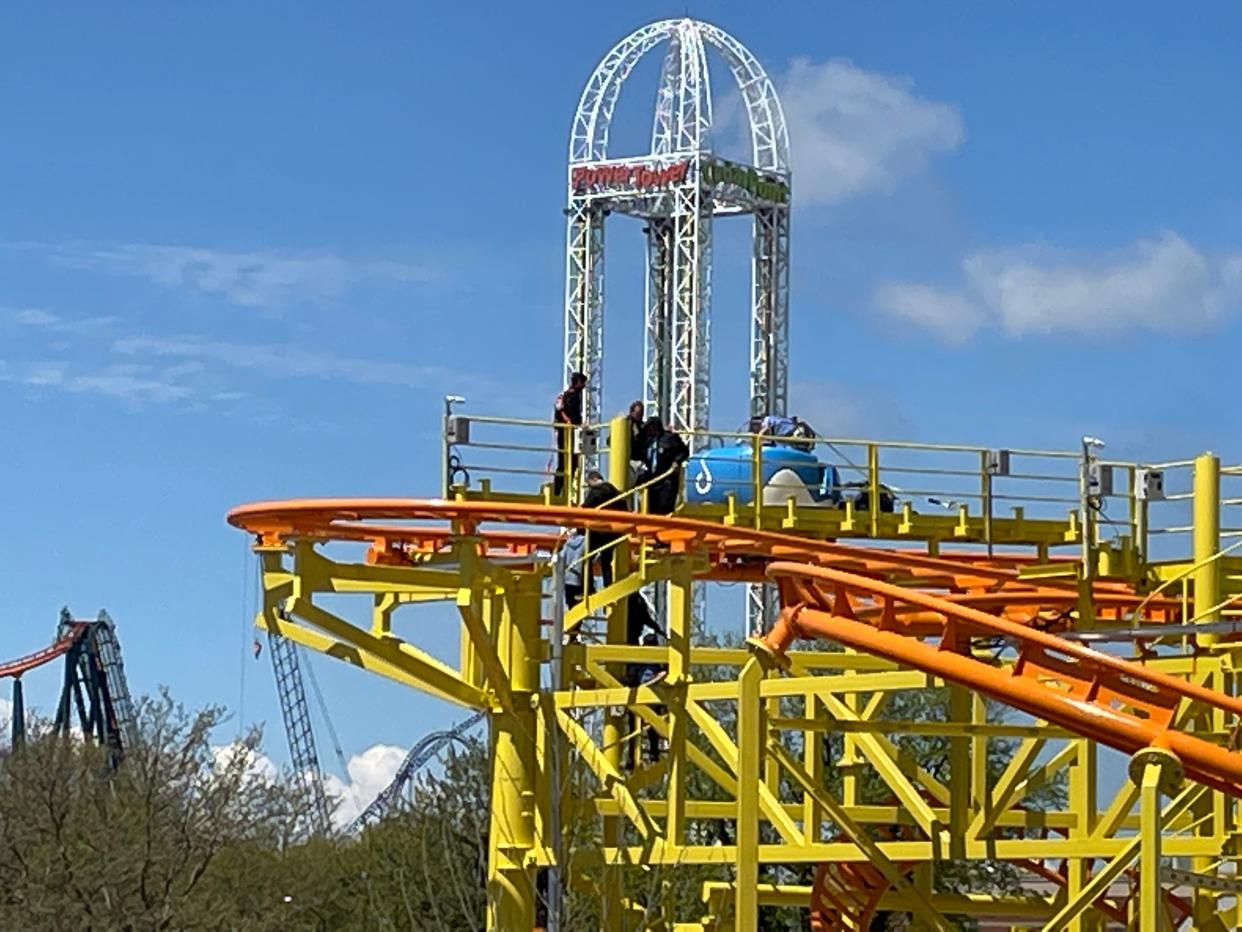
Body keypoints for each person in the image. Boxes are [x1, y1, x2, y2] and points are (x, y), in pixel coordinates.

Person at [581, 470, 626, 590]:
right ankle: (609, 586)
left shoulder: (596, 492)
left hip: (599, 531)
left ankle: (588, 588)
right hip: (614, 532)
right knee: (606, 561)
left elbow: (586, 509)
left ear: (594, 480)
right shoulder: (616, 493)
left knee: (587, 558)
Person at [639, 416, 689, 515]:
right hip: (652, 479)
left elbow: (684, 451)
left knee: (664, 507)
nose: (648, 430)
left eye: (650, 428)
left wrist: (676, 461)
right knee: (651, 508)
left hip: (667, 479)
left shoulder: (670, 438)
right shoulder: (647, 441)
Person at [552, 371, 587, 497]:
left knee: (568, 463)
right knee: (567, 462)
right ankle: (560, 491)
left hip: (569, 431)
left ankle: (562, 491)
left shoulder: (568, 395)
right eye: (583, 383)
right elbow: (567, 413)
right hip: (567, 432)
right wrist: (574, 423)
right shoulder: (571, 396)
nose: (584, 386)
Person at [562, 530, 586, 608]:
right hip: (579, 578)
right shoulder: (585, 541)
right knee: (579, 607)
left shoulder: (567, 543)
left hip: (568, 577)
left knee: (570, 605)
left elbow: (562, 557)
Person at [626, 400, 648, 479]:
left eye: (641, 413)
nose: (640, 415)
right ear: (632, 412)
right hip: (627, 458)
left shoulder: (643, 426)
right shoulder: (624, 424)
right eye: (638, 413)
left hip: (639, 458)